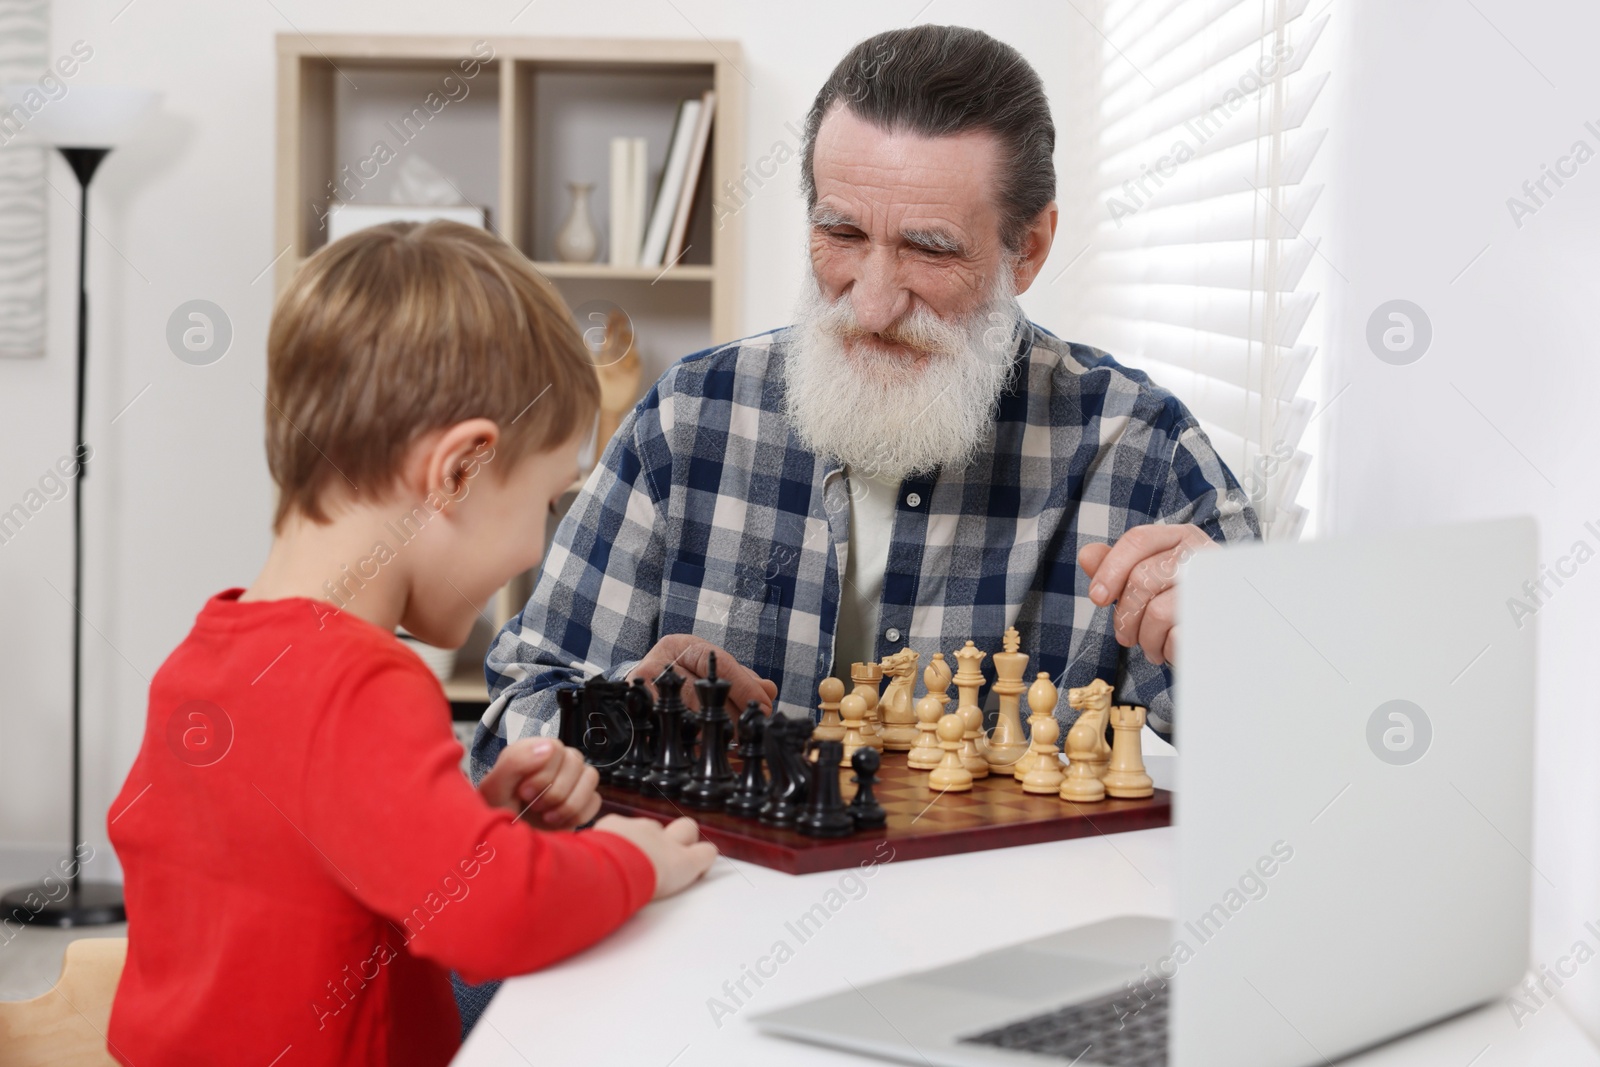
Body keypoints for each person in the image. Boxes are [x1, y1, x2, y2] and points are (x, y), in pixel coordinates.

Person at [473, 24, 1261, 782]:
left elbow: (1297, 758)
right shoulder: (686, 422)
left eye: (929, 248)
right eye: (841, 233)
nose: (874, 305)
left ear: (1029, 250)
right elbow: (509, 718)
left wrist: (1241, 637)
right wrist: (632, 719)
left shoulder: (1141, 447)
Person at [106, 221, 716, 1066]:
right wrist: (634, 859)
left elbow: (311, 880)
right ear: (459, 471)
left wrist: (477, 827)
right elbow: (492, 920)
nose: (537, 552)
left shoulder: (202, 661)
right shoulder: (362, 682)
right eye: (543, 504)